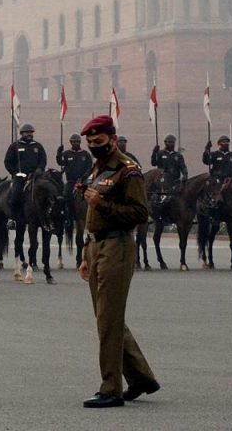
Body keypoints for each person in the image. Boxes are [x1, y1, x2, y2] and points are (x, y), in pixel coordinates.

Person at [76, 114, 160, 408]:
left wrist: (103, 203)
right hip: (97, 247)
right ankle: (140, 377)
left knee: (109, 320)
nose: (94, 146)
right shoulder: (97, 169)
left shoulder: (128, 171)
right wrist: (86, 253)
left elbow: (140, 214)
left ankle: (111, 388)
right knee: (107, 317)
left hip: (118, 246)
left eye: (99, 142)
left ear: (113, 139)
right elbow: (91, 215)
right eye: (90, 143)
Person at [4, 124, 48, 219]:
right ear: (21, 133)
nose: (29, 134)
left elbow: (43, 160)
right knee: (15, 196)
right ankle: (13, 218)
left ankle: (48, 218)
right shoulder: (15, 146)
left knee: (48, 192)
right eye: (27, 132)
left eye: (31, 132)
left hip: (36, 176)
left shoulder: (38, 146)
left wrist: (39, 169)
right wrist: (14, 172)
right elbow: (7, 161)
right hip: (20, 177)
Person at [199, 135, 232, 213]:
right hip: (217, 180)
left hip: (229, 180)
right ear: (219, 144)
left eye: (227, 142)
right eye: (223, 142)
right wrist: (207, 150)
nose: (225, 143)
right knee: (215, 193)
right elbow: (206, 161)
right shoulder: (214, 154)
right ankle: (214, 210)